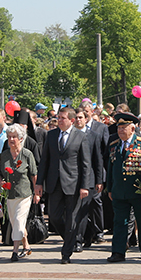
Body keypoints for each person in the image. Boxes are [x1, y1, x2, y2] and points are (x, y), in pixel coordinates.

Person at [35, 107, 91, 264]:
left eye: (62, 118)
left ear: (71, 120)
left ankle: (66, 253)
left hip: (73, 183)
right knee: (54, 216)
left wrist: (85, 186)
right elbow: (44, 161)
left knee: (72, 218)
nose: (59, 120)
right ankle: (70, 238)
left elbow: (85, 164)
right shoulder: (51, 135)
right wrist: (39, 183)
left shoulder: (81, 136)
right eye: (58, 117)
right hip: (54, 182)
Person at [106, 113, 141, 262]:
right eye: (119, 128)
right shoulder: (114, 145)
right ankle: (118, 251)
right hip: (119, 191)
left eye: (124, 128)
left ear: (132, 128)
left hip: (139, 191)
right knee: (120, 222)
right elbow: (110, 168)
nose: (120, 131)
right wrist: (110, 188)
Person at [0, 124, 37, 261]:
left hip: (24, 194)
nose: (11, 139)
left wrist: (37, 193)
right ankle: (26, 246)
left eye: (14, 137)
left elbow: (33, 174)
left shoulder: (27, 154)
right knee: (16, 223)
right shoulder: (4, 155)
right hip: (10, 194)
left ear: (20, 138)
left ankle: (14, 251)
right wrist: (1, 183)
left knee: (19, 221)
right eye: (9, 137)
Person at [73, 107, 104, 249]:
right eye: (76, 118)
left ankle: (78, 241)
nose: (78, 120)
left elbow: (98, 159)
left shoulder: (94, 136)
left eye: (80, 117)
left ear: (86, 119)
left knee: (83, 210)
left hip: (89, 179)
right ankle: (87, 233)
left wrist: (99, 180)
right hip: (71, 179)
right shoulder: (69, 134)